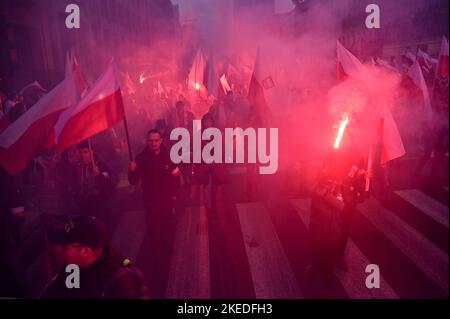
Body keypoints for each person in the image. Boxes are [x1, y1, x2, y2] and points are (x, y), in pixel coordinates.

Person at [40, 215, 149, 299]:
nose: (60, 249)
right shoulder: (75, 266)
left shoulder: (119, 285)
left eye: (65, 246)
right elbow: (64, 291)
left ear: (85, 251)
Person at [128, 129, 180, 298]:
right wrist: (132, 170)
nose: (153, 143)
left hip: (166, 202)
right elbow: (133, 181)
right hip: (150, 203)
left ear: (161, 140)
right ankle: (160, 265)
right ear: (147, 141)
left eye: (156, 140)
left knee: (169, 233)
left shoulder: (169, 156)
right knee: (154, 233)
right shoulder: (140, 159)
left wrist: (175, 195)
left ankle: (168, 254)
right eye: (150, 140)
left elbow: (176, 177)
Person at [74, 141, 114, 222]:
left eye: (85, 152)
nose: (83, 155)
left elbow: (109, 177)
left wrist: (99, 174)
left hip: (100, 206)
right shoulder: (78, 167)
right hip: (86, 206)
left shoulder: (99, 164)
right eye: (80, 152)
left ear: (91, 152)